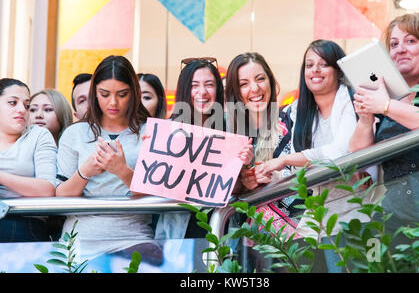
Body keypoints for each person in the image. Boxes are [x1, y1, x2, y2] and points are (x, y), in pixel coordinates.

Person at [255, 40, 378, 272]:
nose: (315, 71)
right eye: (309, 65)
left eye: (323, 64)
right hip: (316, 216)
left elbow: (342, 152)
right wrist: (265, 173)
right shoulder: (300, 110)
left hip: (353, 213)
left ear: (338, 71)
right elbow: (295, 168)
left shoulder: (350, 98)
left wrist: (287, 159)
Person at [349, 13, 419, 238]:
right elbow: (358, 154)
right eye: (394, 44)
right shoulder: (388, 91)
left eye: (411, 41)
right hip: (395, 217)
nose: (400, 49)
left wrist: (385, 105)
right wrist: (366, 118)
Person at [55, 55, 156, 260]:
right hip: (79, 241)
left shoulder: (150, 132)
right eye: (104, 94)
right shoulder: (75, 134)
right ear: (94, 93)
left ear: (135, 93)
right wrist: (86, 171)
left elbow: (159, 193)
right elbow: (60, 196)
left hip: (134, 239)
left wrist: (122, 171)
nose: (113, 102)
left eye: (122, 94)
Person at [154, 57, 252, 240]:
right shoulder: (168, 131)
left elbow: (241, 187)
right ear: (184, 89)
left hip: (222, 226)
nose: (202, 92)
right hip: (178, 230)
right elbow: (156, 183)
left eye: (209, 84)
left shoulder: (233, 128)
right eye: (194, 85)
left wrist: (243, 165)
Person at [0, 78, 56, 242]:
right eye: (12, 103)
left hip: (25, 223)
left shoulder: (38, 135)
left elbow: (47, 189)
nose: (22, 110)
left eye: (26, 105)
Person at [225, 52, 287, 191]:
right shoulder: (225, 129)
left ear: (270, 81)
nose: (254, 88)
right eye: (244, 84)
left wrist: (274, 177)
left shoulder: (290, 120)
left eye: (260, 79)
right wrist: (244, 180)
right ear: (235, 92)